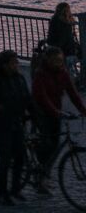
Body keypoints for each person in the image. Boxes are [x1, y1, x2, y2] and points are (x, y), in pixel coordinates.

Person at [0, 50, 33, 205]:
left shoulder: (20, 79)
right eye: (13, 62)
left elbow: (27, 100)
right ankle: (3, 193)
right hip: (0, 125)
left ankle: (16, 189)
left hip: (16, 123)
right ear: (4, 65)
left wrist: (35, 115)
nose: (17, 65)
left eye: (16, 62)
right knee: (5, 158)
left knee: (20, 157)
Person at [32, 44, 86, 193]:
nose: (59, 63)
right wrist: (56, 112)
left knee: (55, 145)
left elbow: (72, 93)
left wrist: (83, 110)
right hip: (41, 112)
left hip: (55, 110)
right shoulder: (40, 74)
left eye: (60, 60)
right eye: (55, 60)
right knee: (47, 144)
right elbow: (41, 97)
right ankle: (40, 172)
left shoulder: (63, 73)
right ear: (48, 60)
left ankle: (44, 174)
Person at [48, 2, 80, 78]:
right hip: (66, 51)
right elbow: (65, 39)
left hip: (58, 49)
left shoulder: (55, 20)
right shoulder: (66, 23)